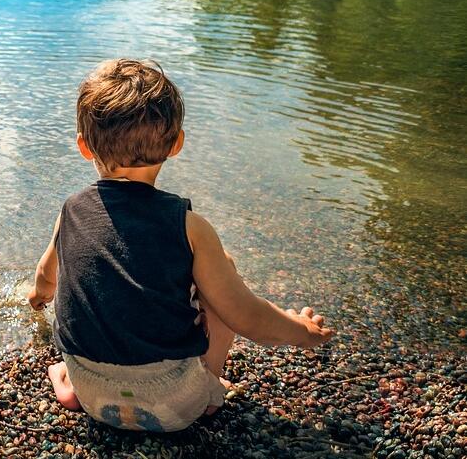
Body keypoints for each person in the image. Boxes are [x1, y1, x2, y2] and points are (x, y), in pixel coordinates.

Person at [27, 59, 334, 432]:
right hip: (175, 405)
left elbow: (46, 277)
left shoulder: (70, 212)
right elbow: (247, 317)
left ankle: (69, 383)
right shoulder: (189, 227)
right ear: (176, 144)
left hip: (92, 395)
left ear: (84, 147)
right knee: (221, 269)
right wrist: (302, 331)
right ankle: (210, 389)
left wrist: (37, 298)